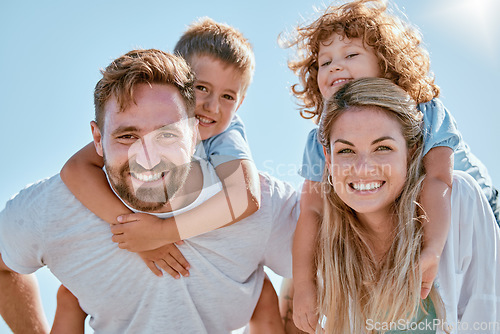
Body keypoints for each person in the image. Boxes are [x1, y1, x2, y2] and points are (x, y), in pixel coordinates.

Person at [0, 49, 298, 333]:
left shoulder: (263, 203)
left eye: (166, 135)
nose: (148, 157)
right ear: (98, 139)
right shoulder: (54, 210)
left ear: (194, 134)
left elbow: (327, 258)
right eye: (127, 136)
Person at [281, 0, 499, 331]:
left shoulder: (424, 112)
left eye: (351, 55)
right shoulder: (319, 139)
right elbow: (311, 210)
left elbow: (439, 179)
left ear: (386, 65)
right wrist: (304, 286)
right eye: (325, 62)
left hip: (471, 209)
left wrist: (433, 250)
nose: (336, 67)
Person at [315, 77, 500, 333]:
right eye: (346, 151)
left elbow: (488, 316)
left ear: (411, 152)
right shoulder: (326, 242)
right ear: (328, 159)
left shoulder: (460, 201)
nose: (363, 168)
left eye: (382, 147)